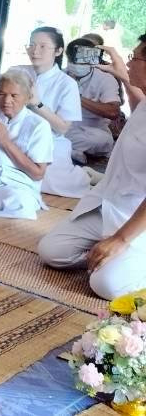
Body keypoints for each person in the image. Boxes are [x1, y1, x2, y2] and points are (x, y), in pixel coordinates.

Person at [38, 36, 146, 299]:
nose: (129, 63)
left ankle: (125, 257)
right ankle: (109, 253)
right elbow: (137, 108)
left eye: (135, 58)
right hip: (107, 202)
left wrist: (120, 239)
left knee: (106, 285)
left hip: (135, 217)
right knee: (52, 252)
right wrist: (122, 74)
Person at [0, 70, 55, 221]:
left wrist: (6, 143)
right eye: (2, 94)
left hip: (18, 184)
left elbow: (37, 174)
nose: (6, 100)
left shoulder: (39, 125)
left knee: (20, 202)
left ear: (27, 97)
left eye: (14, 95)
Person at [18, 26, 87, 197]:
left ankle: (85, 176)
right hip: (14, 135)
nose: (35, 51)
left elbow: (63, 128)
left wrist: (37, 104)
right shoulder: (16, 71)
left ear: (58, 51)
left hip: (49, 141)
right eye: (32, 45)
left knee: (48, 183)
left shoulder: (66, 84)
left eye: (42, 46)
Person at [64, 37, 122, 165]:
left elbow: (113, 112)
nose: (78, 64)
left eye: (82, 60)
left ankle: (65, 148)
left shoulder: (105, 79)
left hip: (93, 130)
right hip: (63, 126)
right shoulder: (60, 76)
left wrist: (78, 97)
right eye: (73, 59)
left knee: (101, 141)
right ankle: (70, 149)